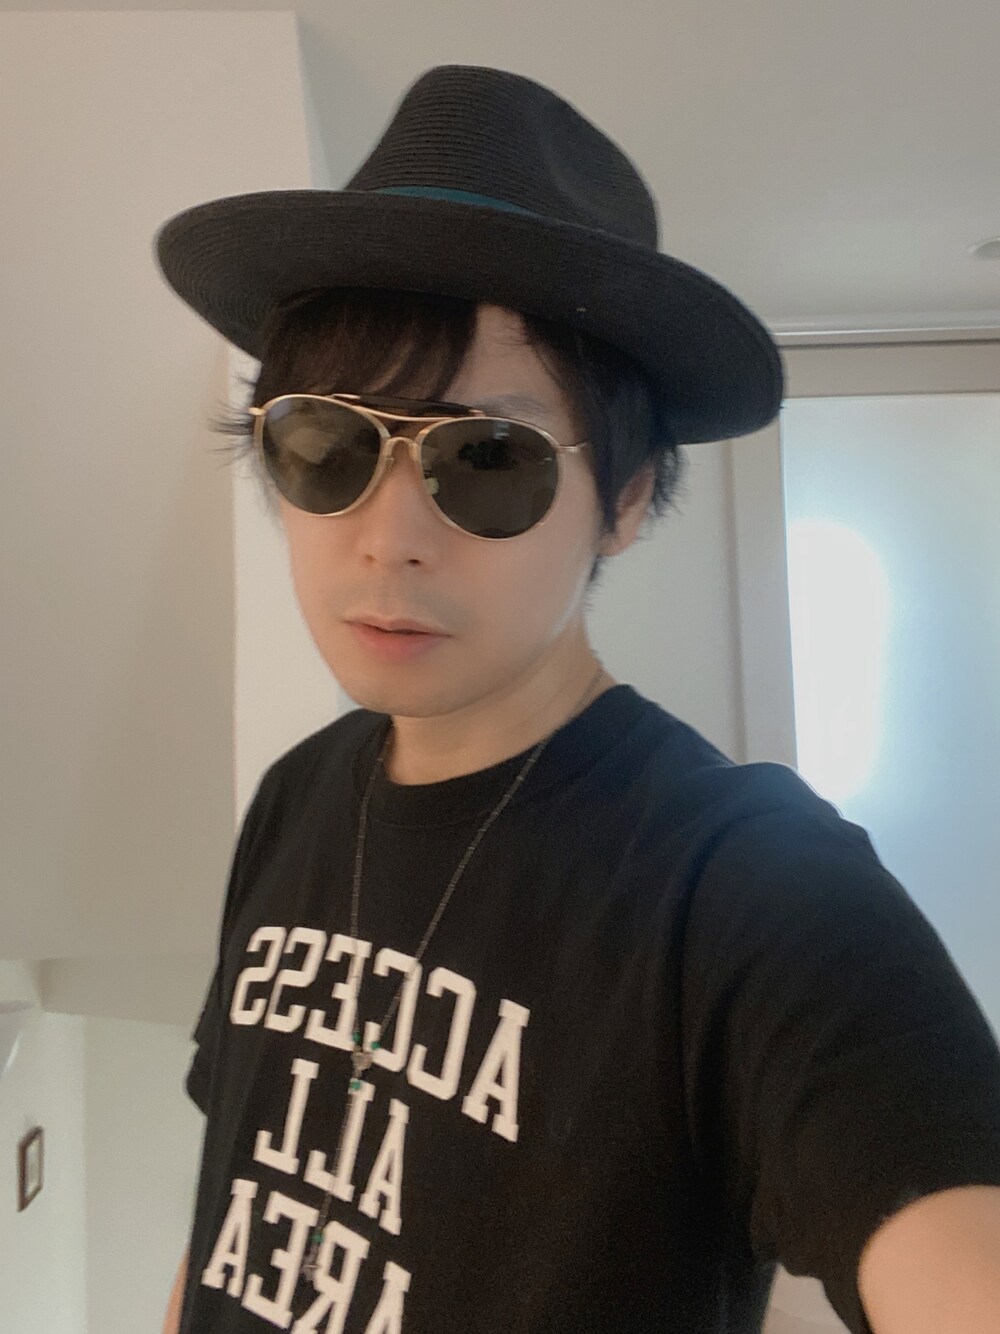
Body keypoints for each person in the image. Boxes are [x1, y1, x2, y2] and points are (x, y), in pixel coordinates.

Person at [154, 65, 1000, 1334]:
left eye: (484, 458)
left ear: (624, 497)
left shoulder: (742, 882)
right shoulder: (297, 793)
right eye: (326, 443)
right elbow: (234, 1200)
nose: (388, 537)